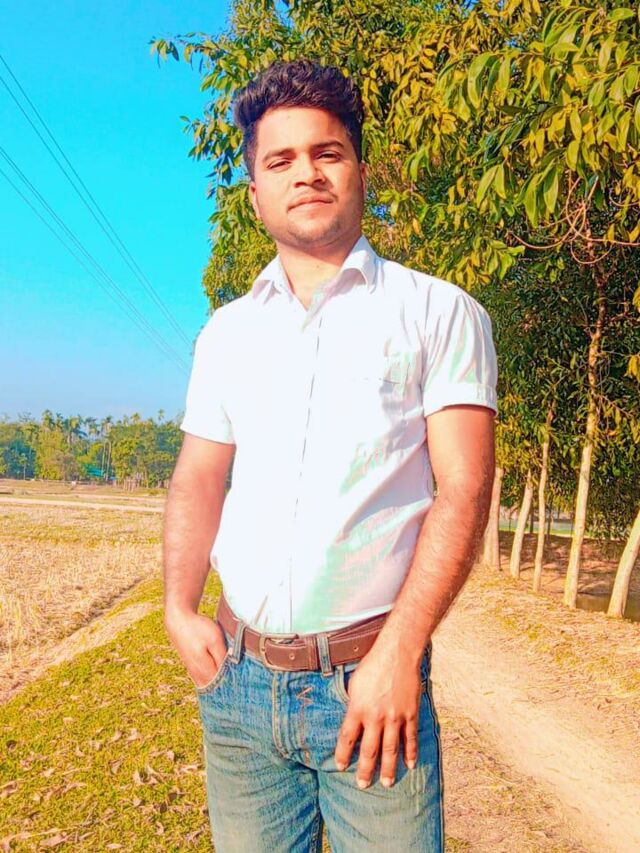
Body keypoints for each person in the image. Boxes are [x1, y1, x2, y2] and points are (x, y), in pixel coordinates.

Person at [163, 58, 497, 852]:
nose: (306, 173)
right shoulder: (227, 333)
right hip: (239, 686)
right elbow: (199, 475)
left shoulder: (438, 312)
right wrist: (178, 607)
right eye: (280, 160)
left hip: (370, 686)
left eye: (327, 152)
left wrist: (399, 654)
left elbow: (465, 486)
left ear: (360, 172)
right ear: (255, 193)